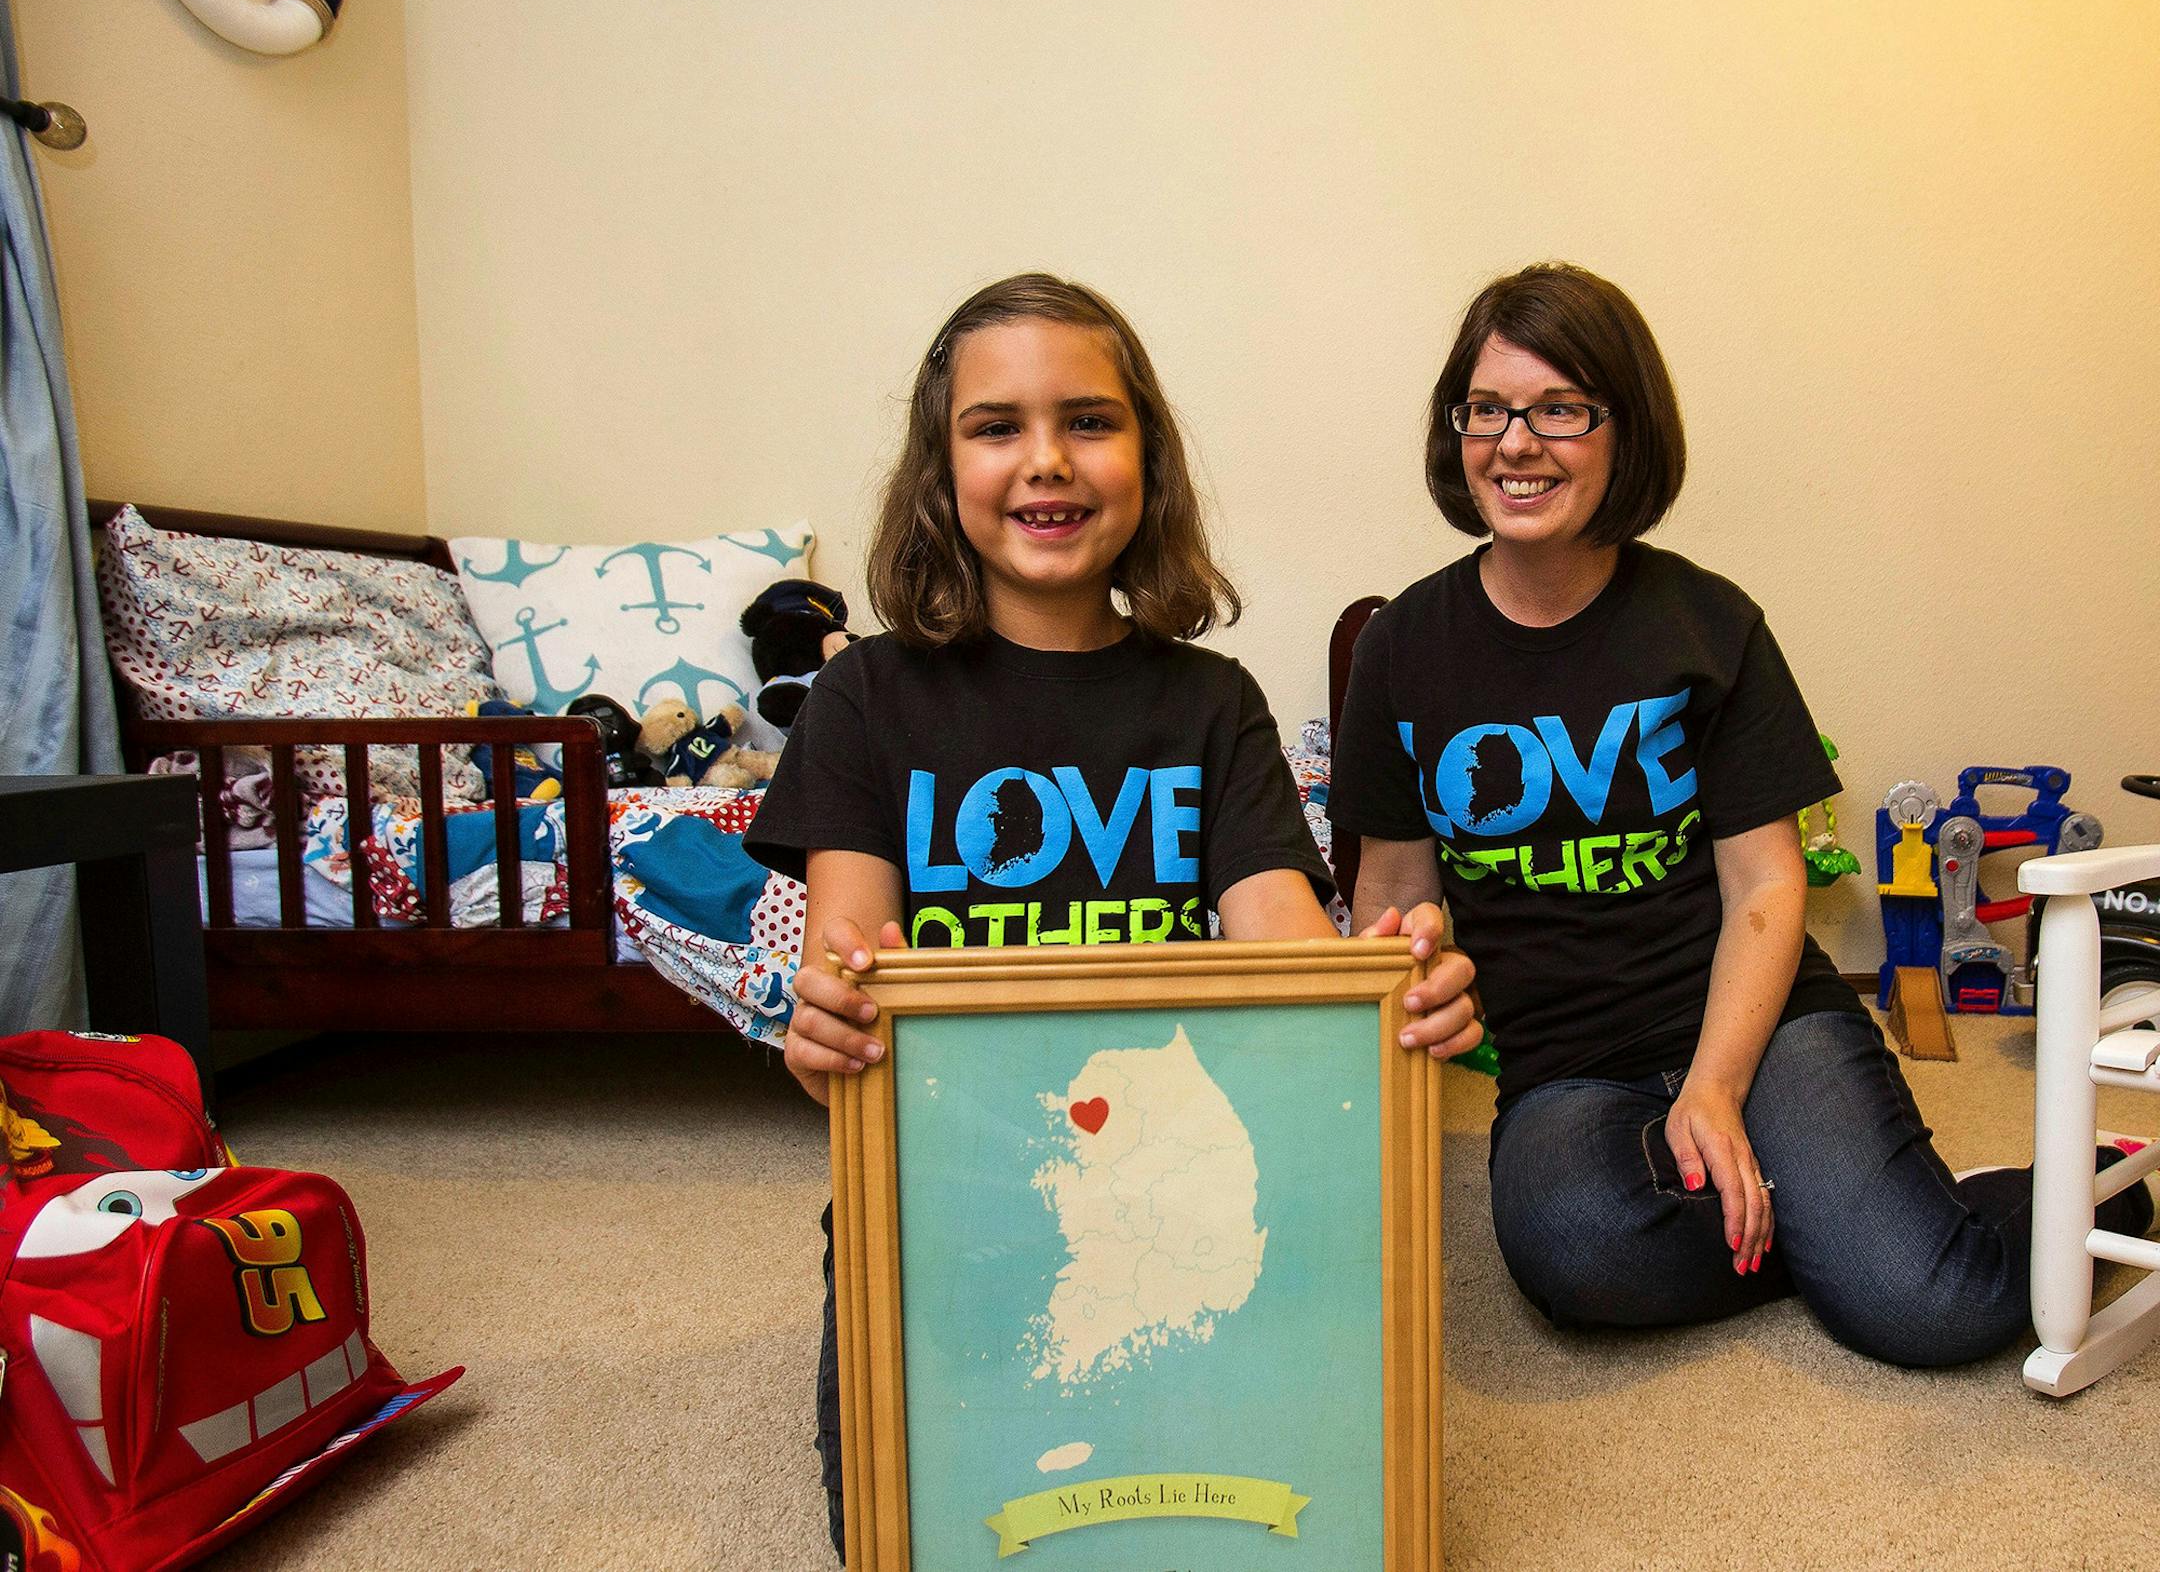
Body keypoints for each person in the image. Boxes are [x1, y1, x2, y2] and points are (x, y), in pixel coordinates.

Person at [744, 272, 1478, 1557]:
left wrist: (1390, 999)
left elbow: (1297, 986)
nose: (1046, 461)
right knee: (920, 1524)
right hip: (939, 1208)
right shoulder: (865, 698)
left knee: (1278, 1495)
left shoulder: (1210, 703)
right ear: (940, 467)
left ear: (1148, 456)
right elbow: (847, 1030)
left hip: (1179, 1201)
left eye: (1089, 420)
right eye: (995, 426)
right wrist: (824, 1043)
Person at [1328, 261, 2153, 1368]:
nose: (1516, 442)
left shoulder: (1707, 622)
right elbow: (1394, 893)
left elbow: (1767, 886)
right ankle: (1849, 1217)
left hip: (1765, 1027)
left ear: (1625, 431)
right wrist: (1405, 972)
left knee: (1929, 1309)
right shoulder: (1399, 650)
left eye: (1560, 408)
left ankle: (2047, 1198)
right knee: (1574, 1252)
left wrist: (1715, 1084)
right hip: (1567, 1066)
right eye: (1488, 408)